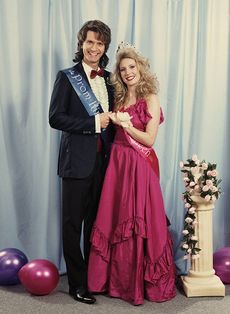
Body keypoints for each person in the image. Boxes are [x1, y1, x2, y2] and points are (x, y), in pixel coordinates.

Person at [88, 42, 176, 305]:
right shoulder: (119, 98)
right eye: (123, 68)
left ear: (140, 67)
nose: (127, 72)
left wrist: (126, 126)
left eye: (131, 66)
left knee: (139, 220)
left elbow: (149, 140)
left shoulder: (151, 97)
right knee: (116, 218)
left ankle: (138, 284)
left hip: (139, 166)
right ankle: (114, 281)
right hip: (117, 164)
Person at [49, 20, 114, 304]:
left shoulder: (110, 78)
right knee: (73, 224)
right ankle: (77, 283)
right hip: (76, 163)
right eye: (90, 42)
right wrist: (92, 123)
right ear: (81, 44)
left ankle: (93, 278)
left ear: (105, 48)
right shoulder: (68, 77)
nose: (94, 48)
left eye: (100, 43)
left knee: (95, 224)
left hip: (104, 162)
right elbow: (55, 118)